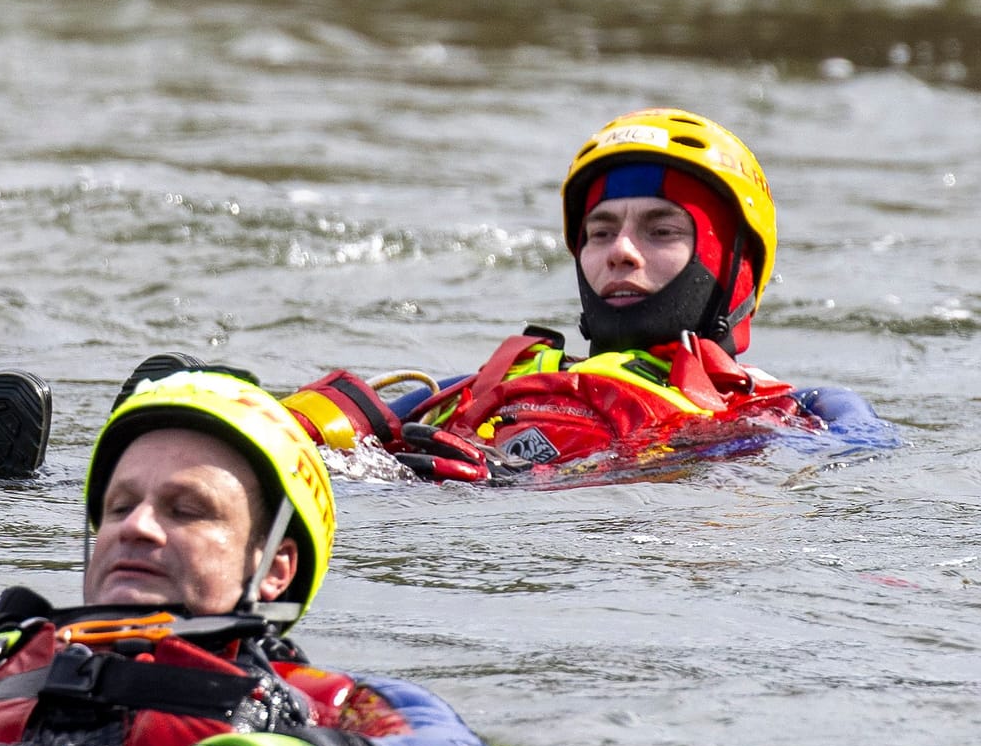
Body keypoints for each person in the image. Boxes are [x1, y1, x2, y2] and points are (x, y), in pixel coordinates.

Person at [0, 369, 505, 746]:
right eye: (119, 506)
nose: (135, 527)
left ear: (275, 567)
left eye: (186, 510)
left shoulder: (319, 701)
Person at [278, 107, 896, 483]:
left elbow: (861, 466)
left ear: (731, 267)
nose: (621, 252)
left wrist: (514, 484)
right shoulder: (482, 384)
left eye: (661, 230)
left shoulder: (795, 413)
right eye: (601, 231)